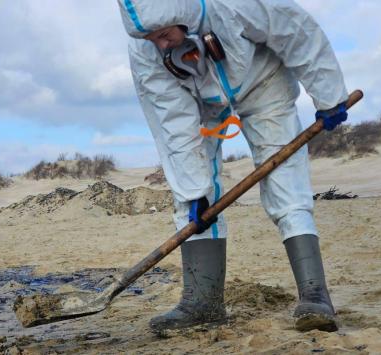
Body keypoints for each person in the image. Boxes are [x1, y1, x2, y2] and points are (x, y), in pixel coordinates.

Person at [117, 0, 349, 333]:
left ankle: (315, 294)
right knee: (192, 201)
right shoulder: (145, 50)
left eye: (164, 35)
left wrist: (329, 95)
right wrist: (195, 191)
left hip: (263, 82)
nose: (160, 45)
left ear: (181, 14)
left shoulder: (234, 4)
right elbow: (173, 124)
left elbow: (296, 31)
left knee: (285, 180)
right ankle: (202, 303)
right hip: (199, 103)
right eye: (152, 39)